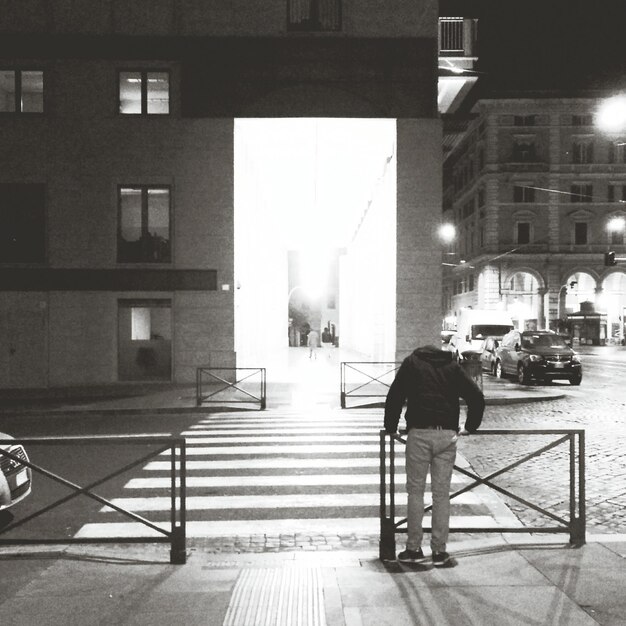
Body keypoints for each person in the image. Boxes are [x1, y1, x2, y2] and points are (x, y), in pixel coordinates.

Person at [384, 344, 485, 566]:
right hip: (446, 435)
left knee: (415, 492)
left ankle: (413, 548)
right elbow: (476, 396)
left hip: (418, 433)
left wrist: (391, 426)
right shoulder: (452, 366)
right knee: (441, 495)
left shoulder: (412, 363)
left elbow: (396, 395)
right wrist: (470, 426)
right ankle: (439, 551)